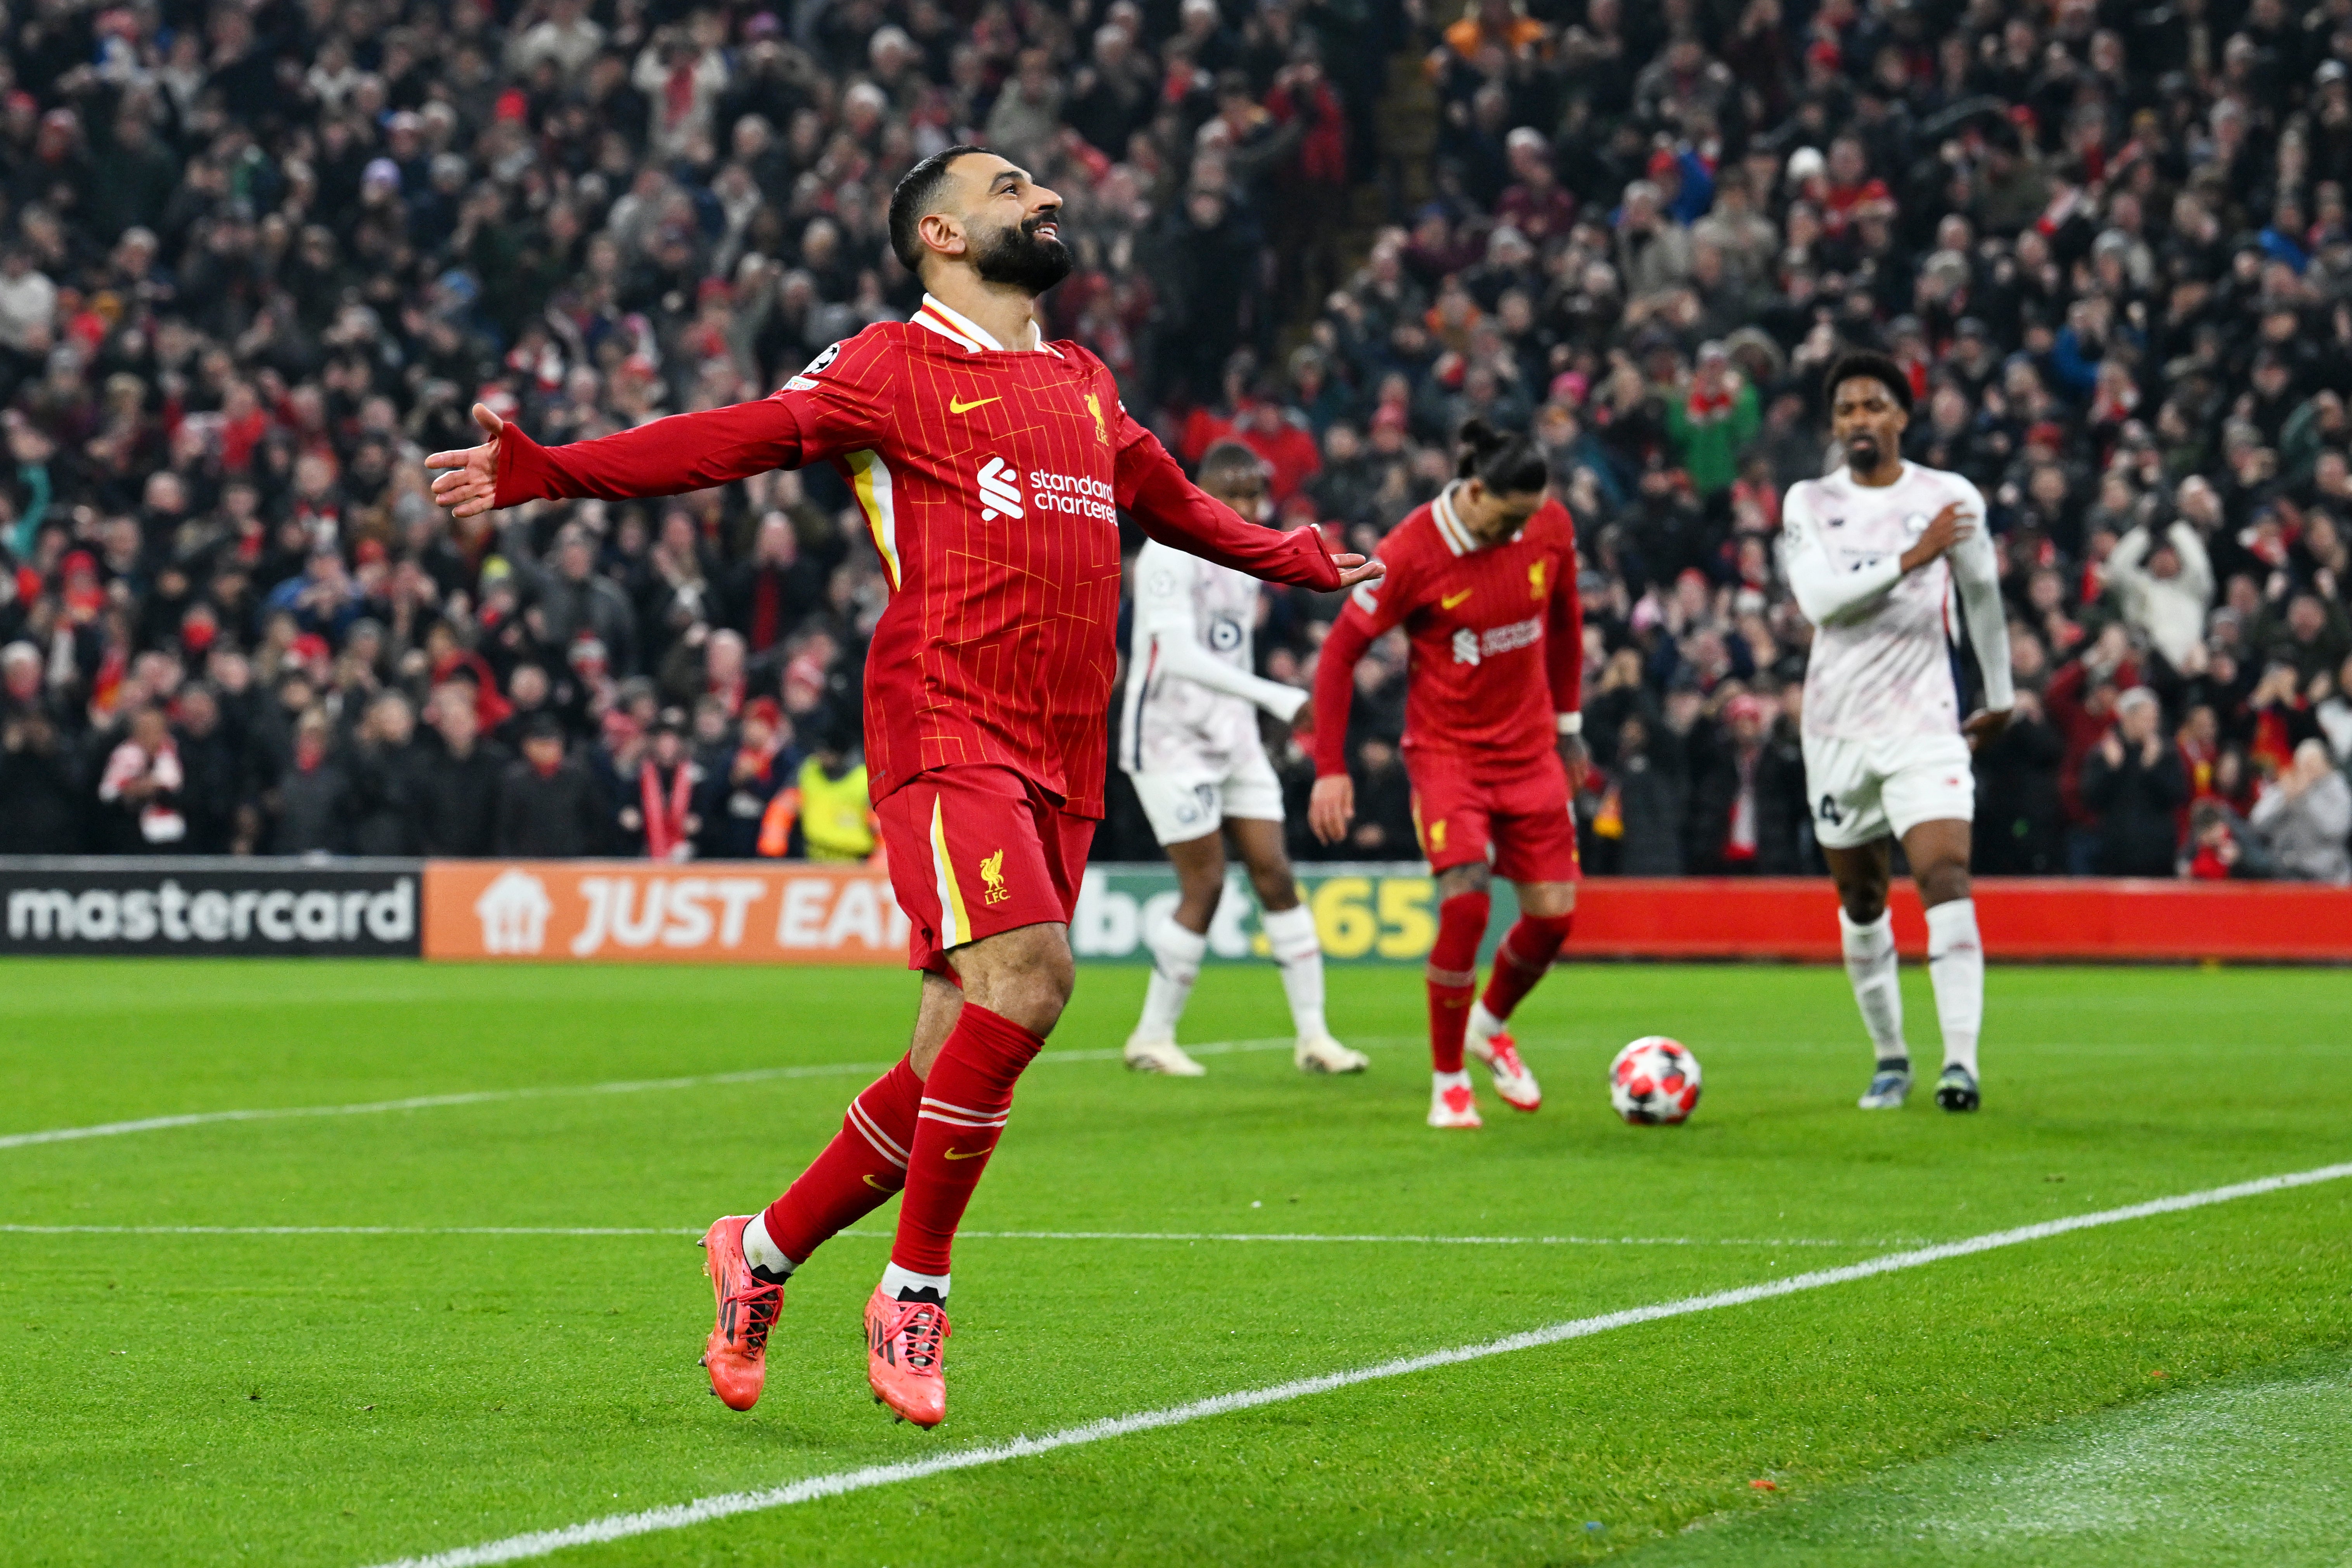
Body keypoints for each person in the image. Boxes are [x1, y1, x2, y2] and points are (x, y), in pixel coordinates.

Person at [425, 145, 1375, 1428]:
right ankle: (913, 1292)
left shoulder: (1079, 379)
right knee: (1033, 981)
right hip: (944, 717)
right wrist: (557, 469)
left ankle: (755, 1254)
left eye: (1042, 189)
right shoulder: (888, 365)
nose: (1042, 201)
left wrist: (1301, 558)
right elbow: (733, 439)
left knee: (945, 1057)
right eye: (1009, 189)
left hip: (1064, 747)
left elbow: (1172, 501)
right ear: (937, 232)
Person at [1307, 419, 1585, 1130]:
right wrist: (1331, 767)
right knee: (1466, 904)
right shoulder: (1411, 552)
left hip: (1530, 750)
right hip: (1448, 754)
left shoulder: (1547, 523)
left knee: (1554, 918)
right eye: (1508, 517)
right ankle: (1449, 1078)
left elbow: (1564, 622)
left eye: (1531, 516)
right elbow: (1340, 654)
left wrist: (1571, 728)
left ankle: (1488, 1025)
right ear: (1476, 490)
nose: (1520, 530)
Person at [1779, 352, 2013, 1115]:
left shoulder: (1948, 496)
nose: (1857, 419)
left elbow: (1980, 591)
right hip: (1837, 729)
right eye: (1845, 409)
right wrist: (1911, 557)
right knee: (1860, 896)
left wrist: (2000, 691)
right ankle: (1888, 1056)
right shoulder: (1807, 501)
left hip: (1924, 723)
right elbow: (1818, 600)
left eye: (1872, 406)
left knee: (1943, 872)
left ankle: (1960, 1063)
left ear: (1900, 418)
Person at [1117, 441, 1366, 1078]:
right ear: (1204, 492)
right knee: (1205, 883)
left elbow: (1232, 652)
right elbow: (1176, 656)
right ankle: (1151, 1035)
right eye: (1235, 496)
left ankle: (1315, 1037)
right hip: (1170, 738)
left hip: (1234, 738)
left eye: (1255, 496)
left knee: (1275, 874)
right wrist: (1278, 698)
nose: (1248, 507)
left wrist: (1259, 714)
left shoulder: (1242, 551)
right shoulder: (1170, 550)